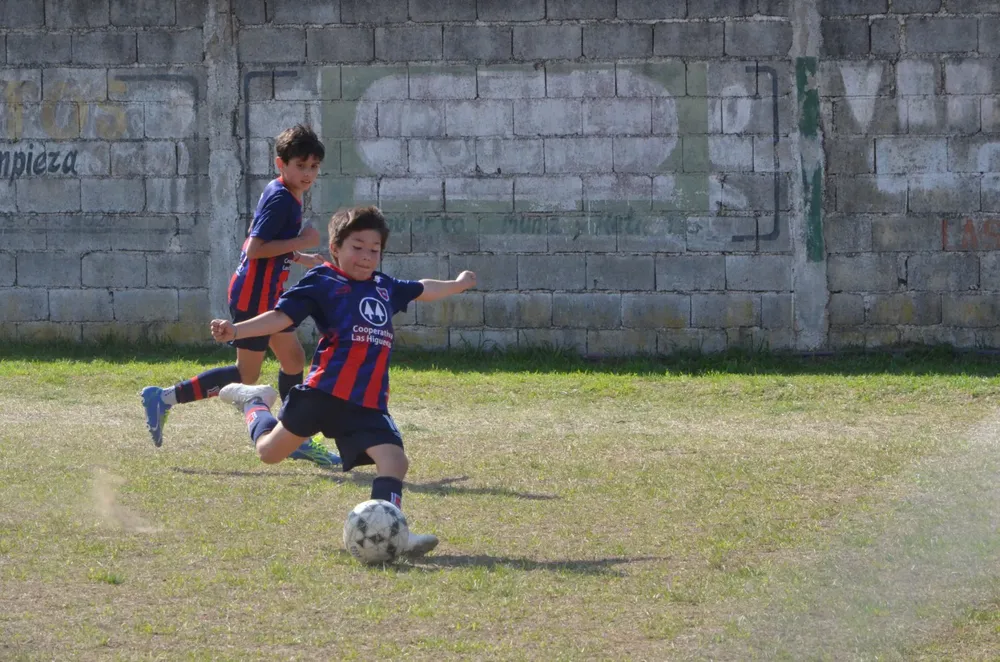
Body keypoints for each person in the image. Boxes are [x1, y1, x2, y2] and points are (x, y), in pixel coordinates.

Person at [210, 205, 477, 557]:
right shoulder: (323, 282)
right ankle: (254, 402)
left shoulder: (384, 287)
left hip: (367, 402)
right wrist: (236, 330)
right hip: (323, 393)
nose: (366, 256)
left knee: (395, 461)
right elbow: (280, 317)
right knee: (268, 453)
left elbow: (421, 288)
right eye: (357, 247)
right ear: (335, 248)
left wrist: (458, 285)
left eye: (374, 250)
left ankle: (392, 533)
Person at [140, 124, 339, 467]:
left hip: (266, 293)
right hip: (254, 296)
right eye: (300, 166)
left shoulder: (284, 192)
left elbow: (262, 238)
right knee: (247, 375)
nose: (308, 174)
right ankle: (164, 398)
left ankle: (293, 436)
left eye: (314, 166)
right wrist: (302, 241)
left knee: (293, 359)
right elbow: (255, 247)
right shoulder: (281, 198)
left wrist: (300, 257)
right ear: (281, 164)